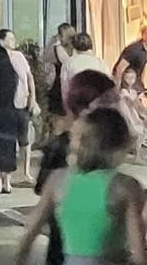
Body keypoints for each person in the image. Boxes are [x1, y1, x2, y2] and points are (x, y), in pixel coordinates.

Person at [16, 106, 145, 265]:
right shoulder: (126, 187)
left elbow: (30, 231)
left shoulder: (58, 180)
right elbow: (139, 252)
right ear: (119, 144)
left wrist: (20, 258)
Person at [36, 69, 119, 265]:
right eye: (110, 100)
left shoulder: (102, 147)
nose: (116, 107)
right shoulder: (64, 147)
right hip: (69, 251)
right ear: (90, 105)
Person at [0, 30, 37, 193]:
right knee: (2, 142)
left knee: (20, 139)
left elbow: (29, 77)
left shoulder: (19, 57)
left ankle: (10, 178)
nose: (14, 41)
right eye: (11, 38)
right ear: (2, 41)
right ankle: (2, 181)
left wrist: (32, 98)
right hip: (2, 105)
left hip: (20, 103)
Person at [62, 33, 110, 98]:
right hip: (98, 101)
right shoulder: (101, 62)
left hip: (77, 101)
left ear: (74, 47)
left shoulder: (69, 63)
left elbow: (65, 89)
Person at [46, 23, 76, 115]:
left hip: (60, 84)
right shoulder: (74, 48)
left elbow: (64, 61)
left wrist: (57, 45)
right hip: (70, 84)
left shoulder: (58, 48)